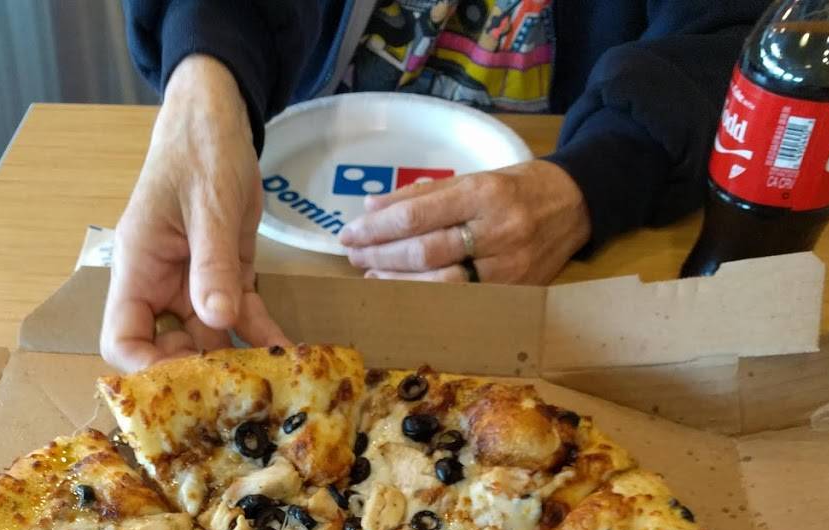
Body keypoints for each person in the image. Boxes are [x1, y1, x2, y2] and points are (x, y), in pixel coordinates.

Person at [102, 1, 767, 371]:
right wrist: (203, 87)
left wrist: (596, 180)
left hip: (587, 238)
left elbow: (753, 35)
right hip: (275, 212)